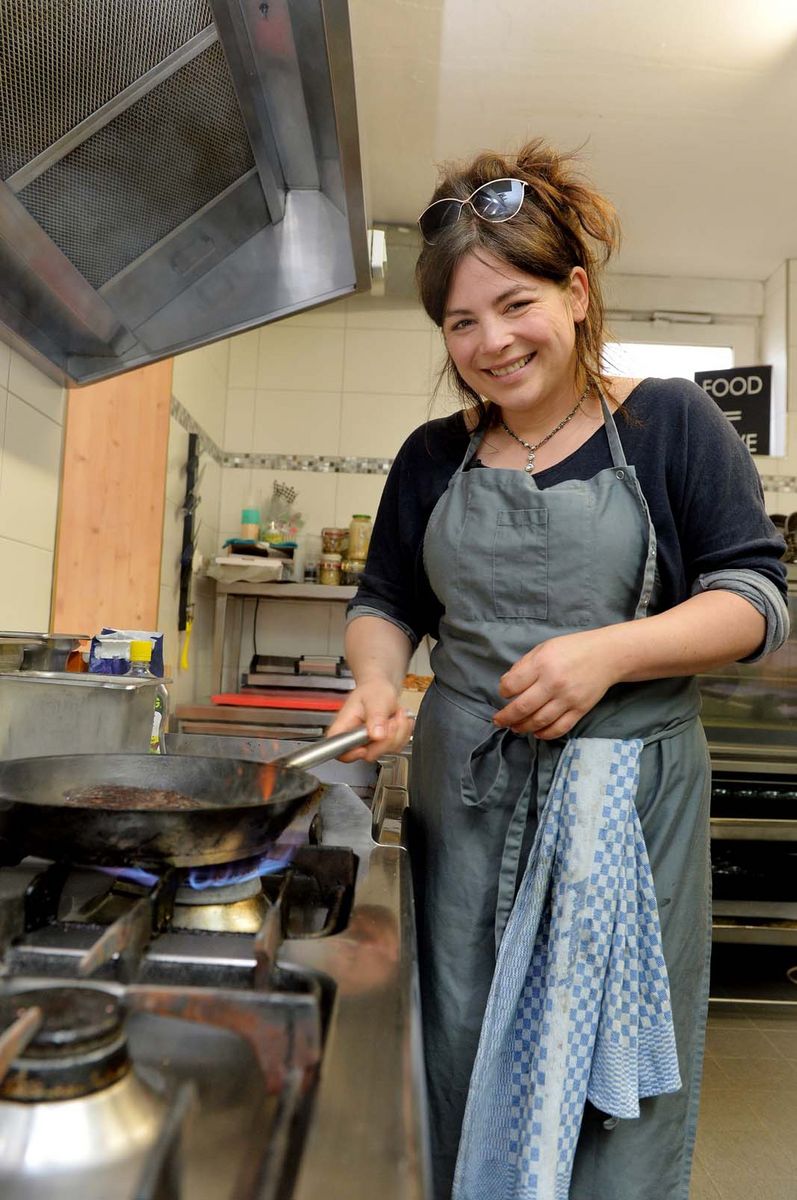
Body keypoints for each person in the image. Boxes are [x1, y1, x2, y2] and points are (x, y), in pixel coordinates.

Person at [326, 139, 789, 1200]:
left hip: (619, 813)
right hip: (467, 807)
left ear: (574, 293)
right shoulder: (431, 456)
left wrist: (607, 655)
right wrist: (374, 676)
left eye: (515, 302)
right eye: (459, 321)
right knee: (459, 1045)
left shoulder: (667, 425)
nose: (490, 342)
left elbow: (756, 601)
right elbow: (386, 603)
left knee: (603, 1097)